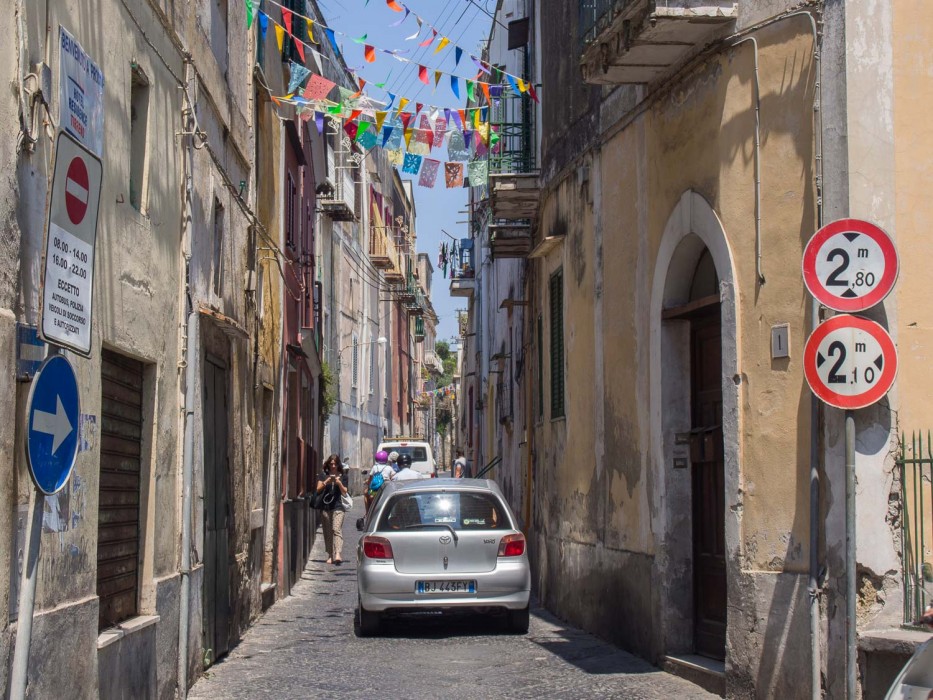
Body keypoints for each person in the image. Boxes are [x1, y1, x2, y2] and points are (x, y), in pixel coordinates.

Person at [316, 454, 348, 565]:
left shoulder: (343, 476)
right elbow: (318, 490)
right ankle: (330, 554)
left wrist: (338, 482)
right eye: (331, 463)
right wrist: (326, 482)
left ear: (338, 464)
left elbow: (345, 492)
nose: (333, 466)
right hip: (325, 507)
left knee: (336, 529)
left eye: (335, 463)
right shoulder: (323, 475)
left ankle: (338, 553)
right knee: (327, 532)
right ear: (328, 464)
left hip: (339, 507)